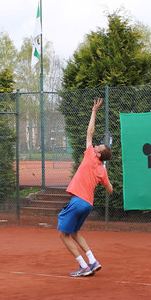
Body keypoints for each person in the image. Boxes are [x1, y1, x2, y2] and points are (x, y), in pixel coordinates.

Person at [58, 98, 113, 277]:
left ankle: (83, 266)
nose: (96, 145)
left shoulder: (90, 156)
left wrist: (94, 111)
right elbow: (110, 189)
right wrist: (105, 180)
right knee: (74, 233)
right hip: (87, 204)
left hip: (78, 201)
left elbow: (89, 132)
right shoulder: (102, 170)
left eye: (99, 146)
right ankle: (93, 261)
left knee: (63, 235)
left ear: (97, 153)